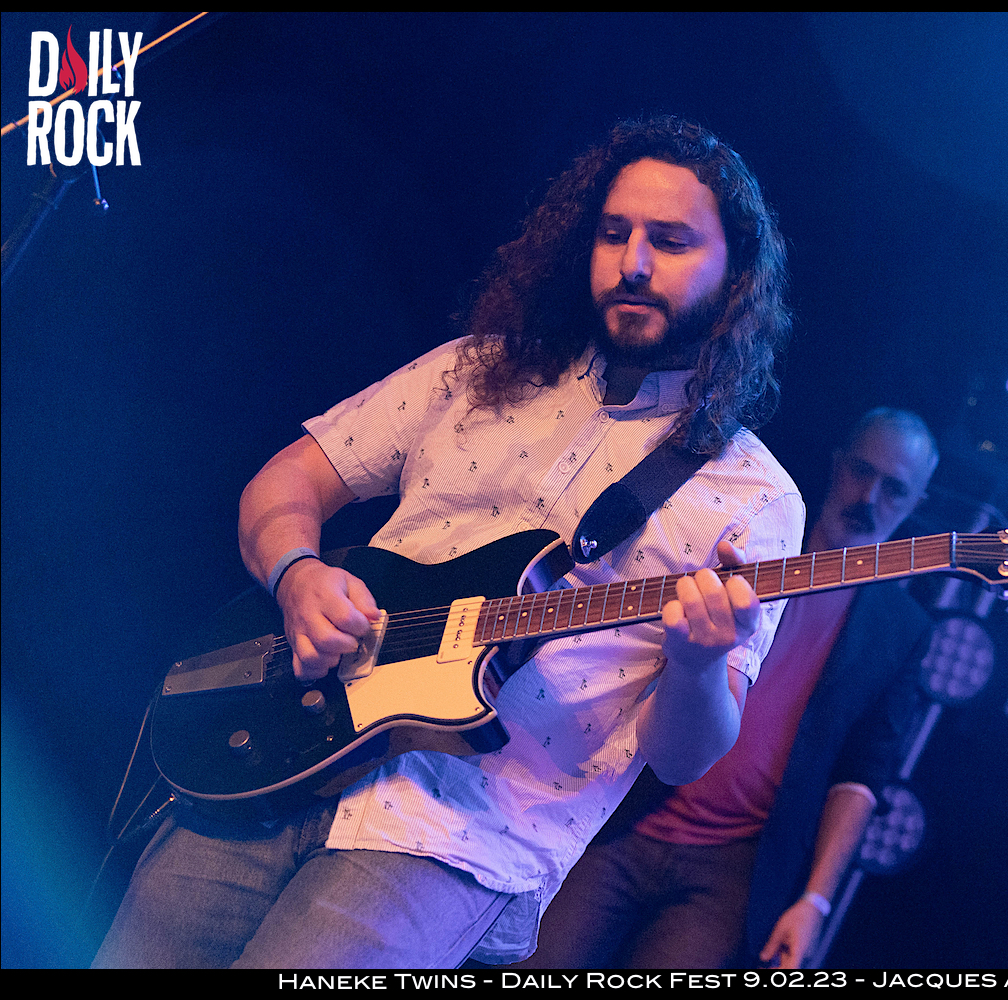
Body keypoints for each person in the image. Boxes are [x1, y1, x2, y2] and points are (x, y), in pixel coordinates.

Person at [94, 116, 804, 969]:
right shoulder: (476, 368)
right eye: (614, 233)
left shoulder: (754, 497)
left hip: (458, 834)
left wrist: (696, 663)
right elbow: (285, 484)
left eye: (672, 241)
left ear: (736, 274)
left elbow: (684, 758)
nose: (634, 263)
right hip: (282, 750)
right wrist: (297, 574)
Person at [517, 408, 938, 969]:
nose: (869, 497)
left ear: (917, 503)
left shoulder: (901, 628)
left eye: (894, 488)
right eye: (862, 471)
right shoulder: (754, 543)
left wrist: (815, 900)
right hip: (625, 811)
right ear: (837, 464)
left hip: (732, 865)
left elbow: (861, 773)